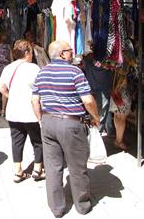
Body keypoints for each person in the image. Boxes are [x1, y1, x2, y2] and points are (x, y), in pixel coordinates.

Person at [32, 40, 100, 218]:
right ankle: (82, 205)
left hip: (48, 122)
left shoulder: (42, 72)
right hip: (71, 125)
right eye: (70, 51)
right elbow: (87, 100)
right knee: (77, 166)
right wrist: (96, 117)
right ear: (62, 53)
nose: (73, 53)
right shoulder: (74, 72)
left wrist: (41, 119)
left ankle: (57, 208)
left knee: (53, 167)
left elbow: (34, 100)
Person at [0, 39, 45, 183]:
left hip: (13, 111)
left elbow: (1, 88)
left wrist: (12, 96)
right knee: (37, 141)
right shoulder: (34, 68)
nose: (32, 54)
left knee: (17, 141)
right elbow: (41, 89)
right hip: (30, 111)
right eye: (30, 51)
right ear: (26, 53)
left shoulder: (8, 68)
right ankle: (38, 170)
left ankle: (18, 171)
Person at [82, 50, 114, 135]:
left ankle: (95, 131)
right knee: (101, 112)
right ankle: (97, 132)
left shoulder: (87, 58)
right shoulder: (104, 59)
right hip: (101, 88)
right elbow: (110, 66)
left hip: (93, 87)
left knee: (96, 111)